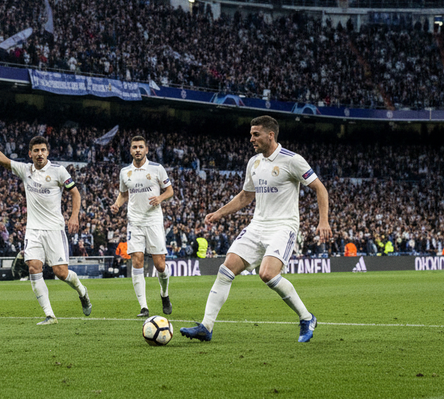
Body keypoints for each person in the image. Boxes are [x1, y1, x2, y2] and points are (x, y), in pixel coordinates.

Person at [181, 115, 331, 343]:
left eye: (255, 134)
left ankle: (307, 317)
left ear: (270, 135)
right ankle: (206, 326)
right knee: (226, 269)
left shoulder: (292, 160)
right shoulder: (254, 162)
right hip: (257, 225)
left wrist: (323, 221)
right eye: (251, 134)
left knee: (267, 274)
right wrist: (220, 212)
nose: (251, 138)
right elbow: (246, 196)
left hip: (283, 226)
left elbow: (320, 188)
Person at [0, 123, 91, 325]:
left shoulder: (59, 171)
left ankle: (82, 291)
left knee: (61, 273)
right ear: (30, 153)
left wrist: (74, 216)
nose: (40, 154)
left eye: (43, 150)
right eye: (36, 151)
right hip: (34, 230)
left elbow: (75, 193)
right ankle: (50, 315)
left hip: (54, 229)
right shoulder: (25, 170)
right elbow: (3, 160)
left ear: (48, 152)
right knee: (34, 268)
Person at [110, 136, 174, 317]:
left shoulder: (157, 168)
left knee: (160, 265)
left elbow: (170, 191)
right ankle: (144, 307)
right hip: (135, 222)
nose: (137, 150)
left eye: (140, 147)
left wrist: (160, 198)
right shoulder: (125, 172)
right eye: (134, 147)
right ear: (130, 150)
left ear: (146, 149)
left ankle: (164, 294)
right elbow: (123, 194)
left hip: (153, 221)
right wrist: (117, 205)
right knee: (137, 260)